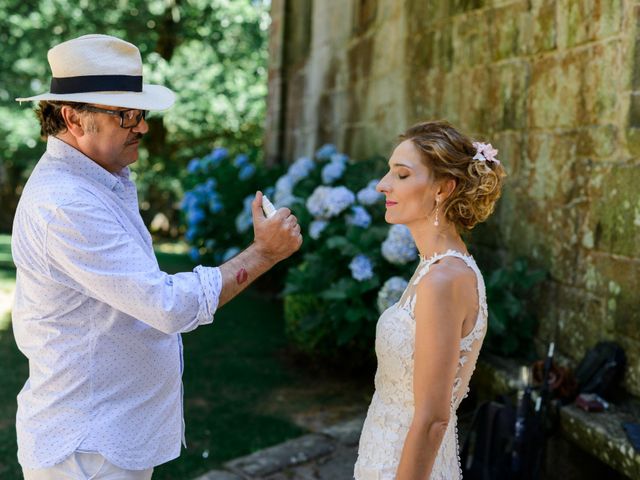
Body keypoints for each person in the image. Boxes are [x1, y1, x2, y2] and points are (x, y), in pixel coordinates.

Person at [12, 34, 302, 479]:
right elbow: (164, 305)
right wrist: (263, 254)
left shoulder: (100, 178)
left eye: (141, 112)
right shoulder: (66, 203)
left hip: (107, 437)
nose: (143, 127)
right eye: (126, 114)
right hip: (87, 451)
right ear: (72, 117)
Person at [354, 121, 506, 479]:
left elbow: (433, 419)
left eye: (401, 175)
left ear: (443, 188)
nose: (382, 185)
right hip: (379, 456)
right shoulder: (433, 268)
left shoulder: (443, 279)